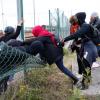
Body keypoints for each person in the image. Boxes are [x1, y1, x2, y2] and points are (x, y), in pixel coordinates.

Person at [58, 12, 98, 89]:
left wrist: (64, 39)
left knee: (86, 65)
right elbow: (83, 37)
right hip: (87, 46)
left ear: (79, 19)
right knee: (85, 64)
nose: (75, 22)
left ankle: (85, 84)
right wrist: (75, 43)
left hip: (90, 47)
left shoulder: (85, 26)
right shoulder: (82, 26)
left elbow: (76, 34)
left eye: (76, 20)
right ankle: (86, 81)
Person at [0, 19, 23, 94]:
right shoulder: (12, 36)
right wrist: (19, 24)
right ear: (11, 31)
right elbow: (17, 32)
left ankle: (3, 85)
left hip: (2, 57)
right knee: (12, 68)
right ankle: (9, 81)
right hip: (9, 57)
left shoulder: (1, 38)